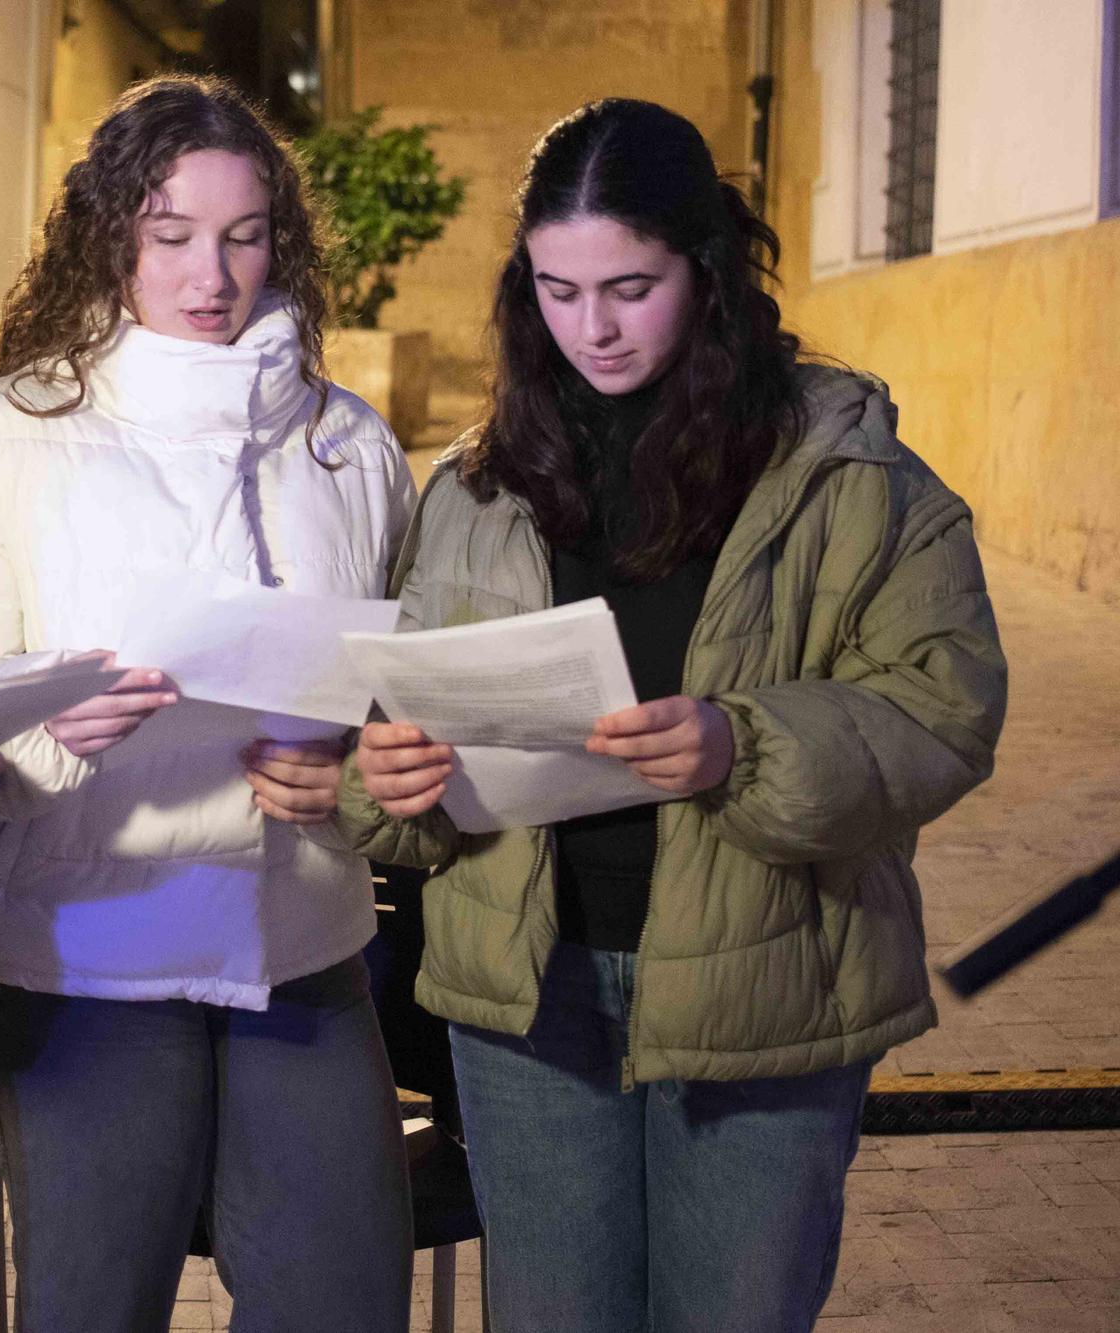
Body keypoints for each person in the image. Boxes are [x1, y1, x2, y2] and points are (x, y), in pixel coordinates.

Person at [337, 98, 1008, 1332]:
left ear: (705, 269)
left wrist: (740, 744)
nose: (589, 327)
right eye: (554, 288)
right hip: (532, 994)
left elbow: (943, 703)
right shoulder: (478, 481)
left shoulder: (839, 468)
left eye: (628, 287)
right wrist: (383, 777)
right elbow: (395, 715)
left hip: (768, 986)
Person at [0, 74, 418, 1332]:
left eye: (244, 237)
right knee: (93, 1304)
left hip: (294, 929)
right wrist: (39, 731)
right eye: (171, 235)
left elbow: (397, 679)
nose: (212, 274)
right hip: (80, 941)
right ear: (107, 236)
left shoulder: (349, 445)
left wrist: (347, 764)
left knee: (341, 1295)